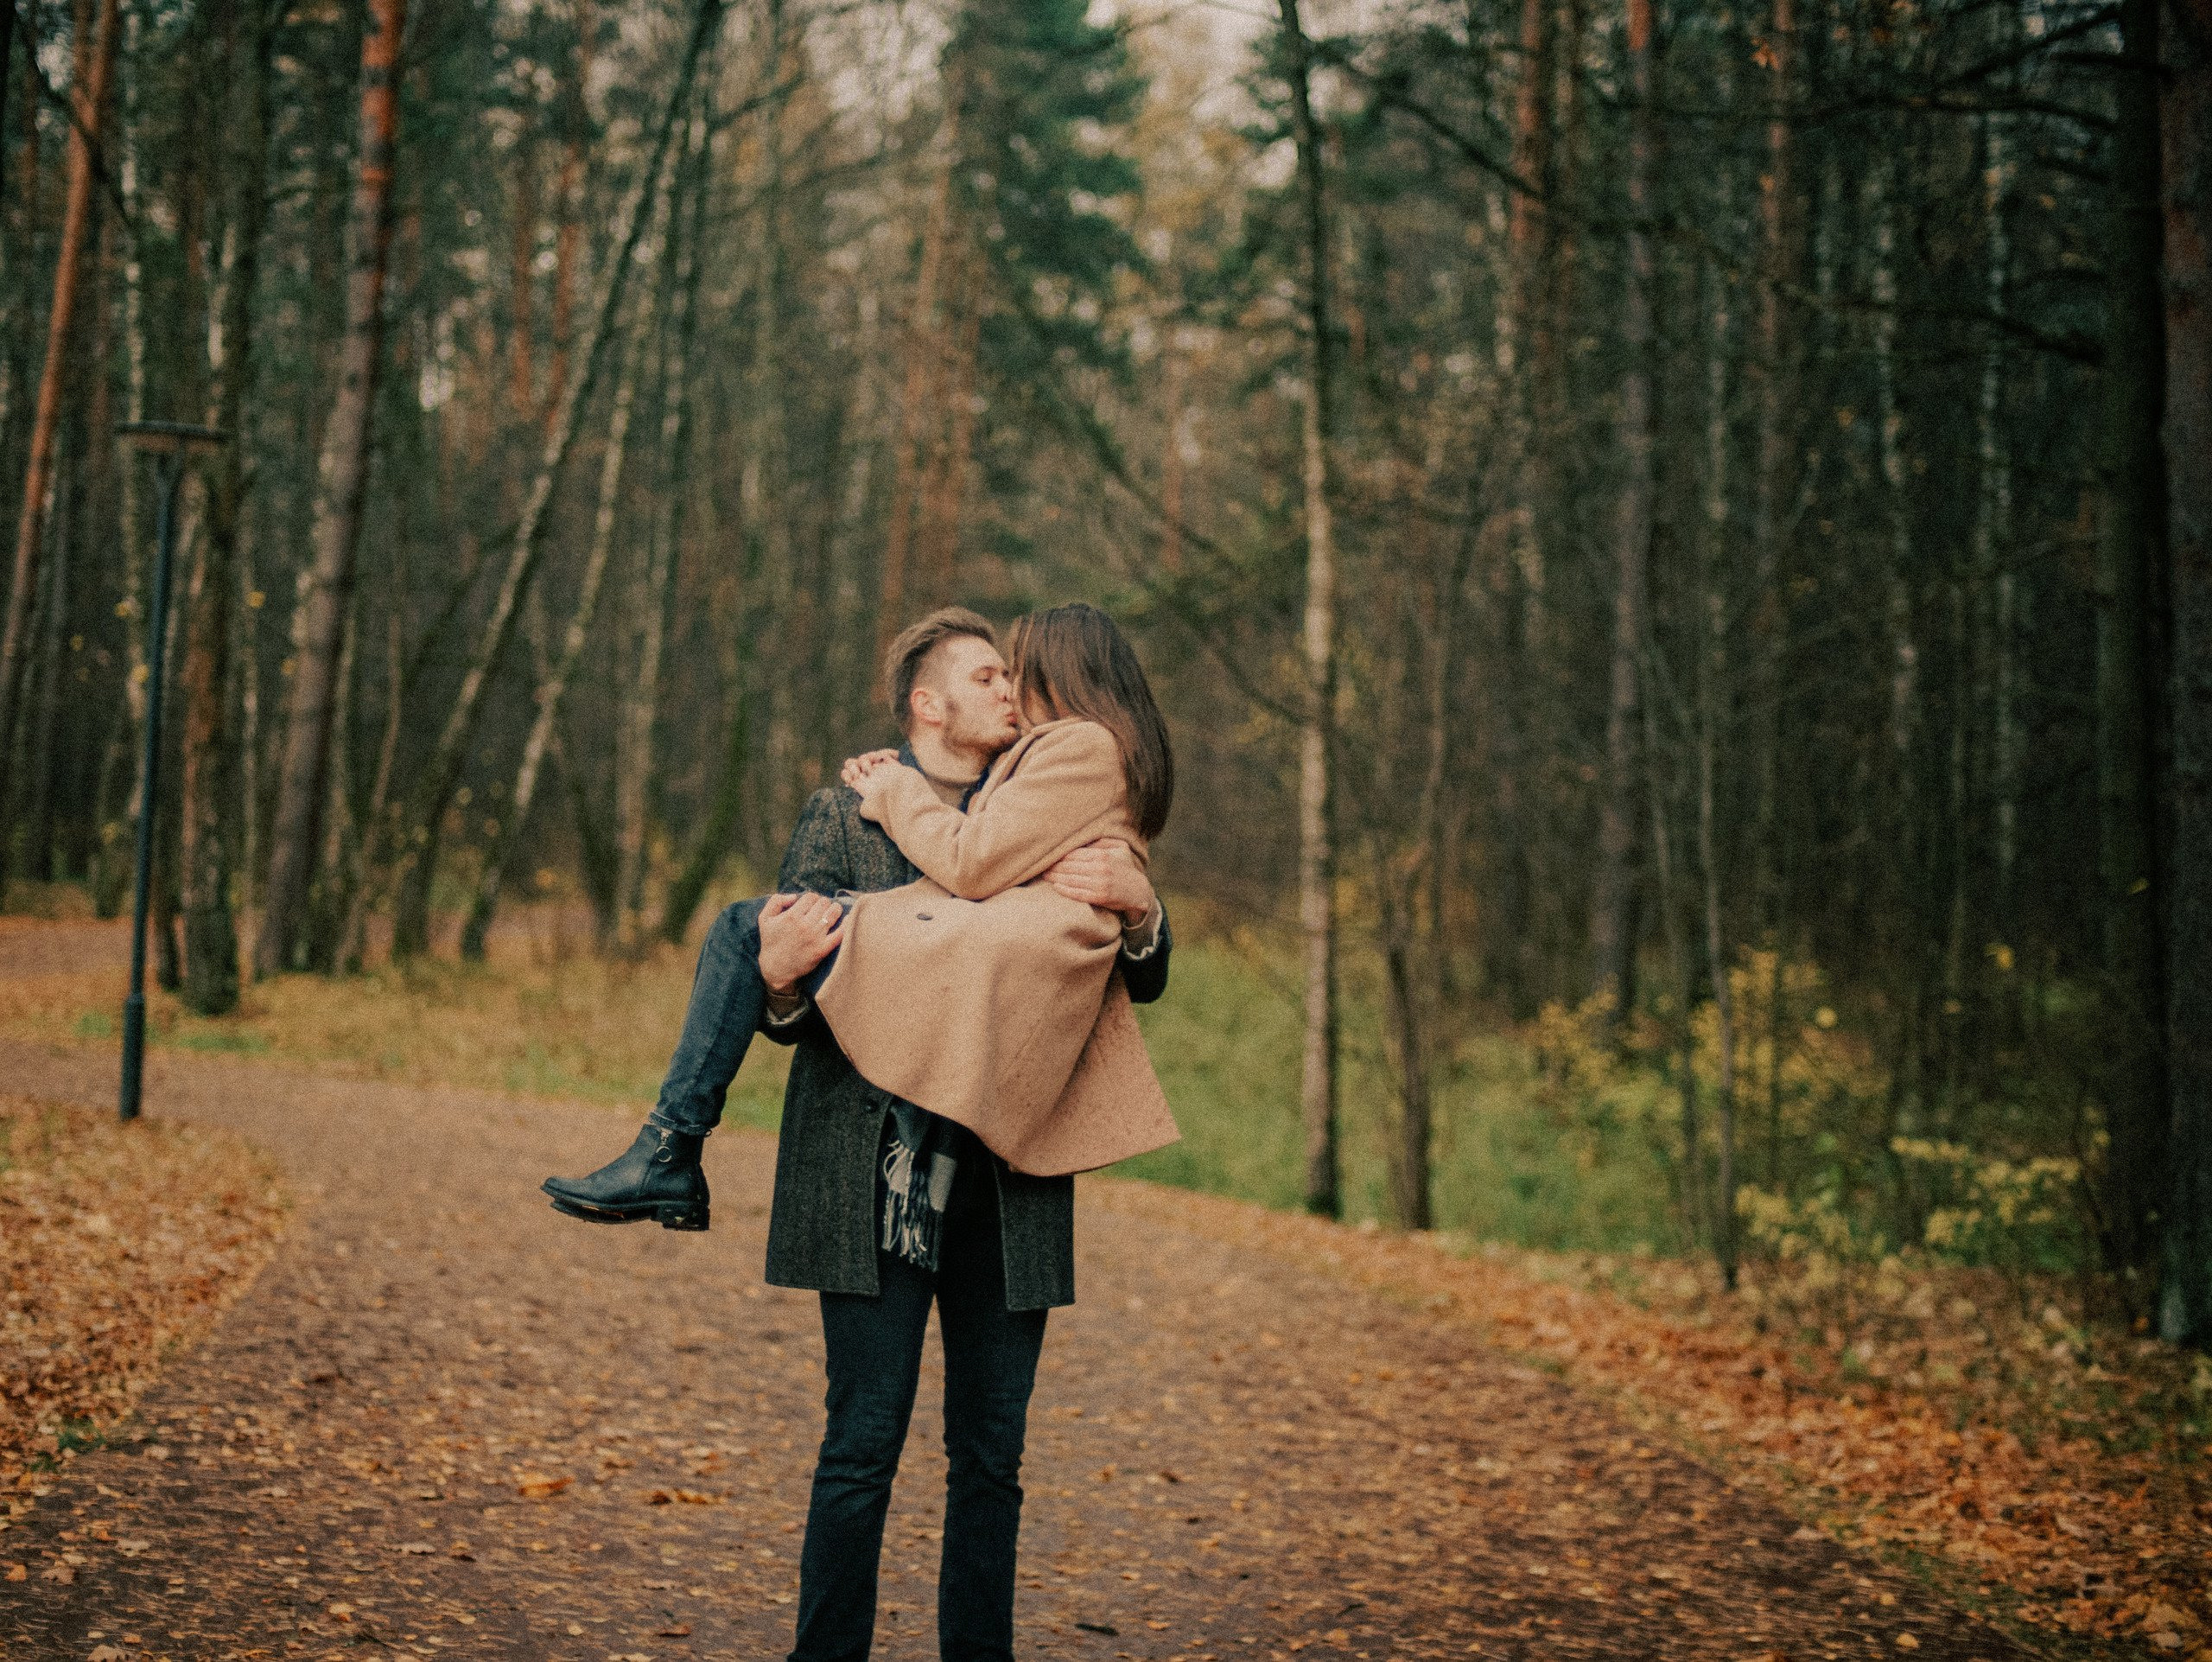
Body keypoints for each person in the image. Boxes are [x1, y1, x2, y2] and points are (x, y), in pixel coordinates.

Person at [546, 604, 1173, 1661]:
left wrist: (1148, 910)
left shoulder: (1045, 799)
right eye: (985, 676)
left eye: (1013, 673)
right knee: (860, 1447)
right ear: (927, 705)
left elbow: (1128, 972)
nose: (1009, 690)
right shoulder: (842, 817)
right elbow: (792, 1009)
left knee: (991, 1458)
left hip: (1008, 1185)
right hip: (871, 1173)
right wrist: (782, 982)